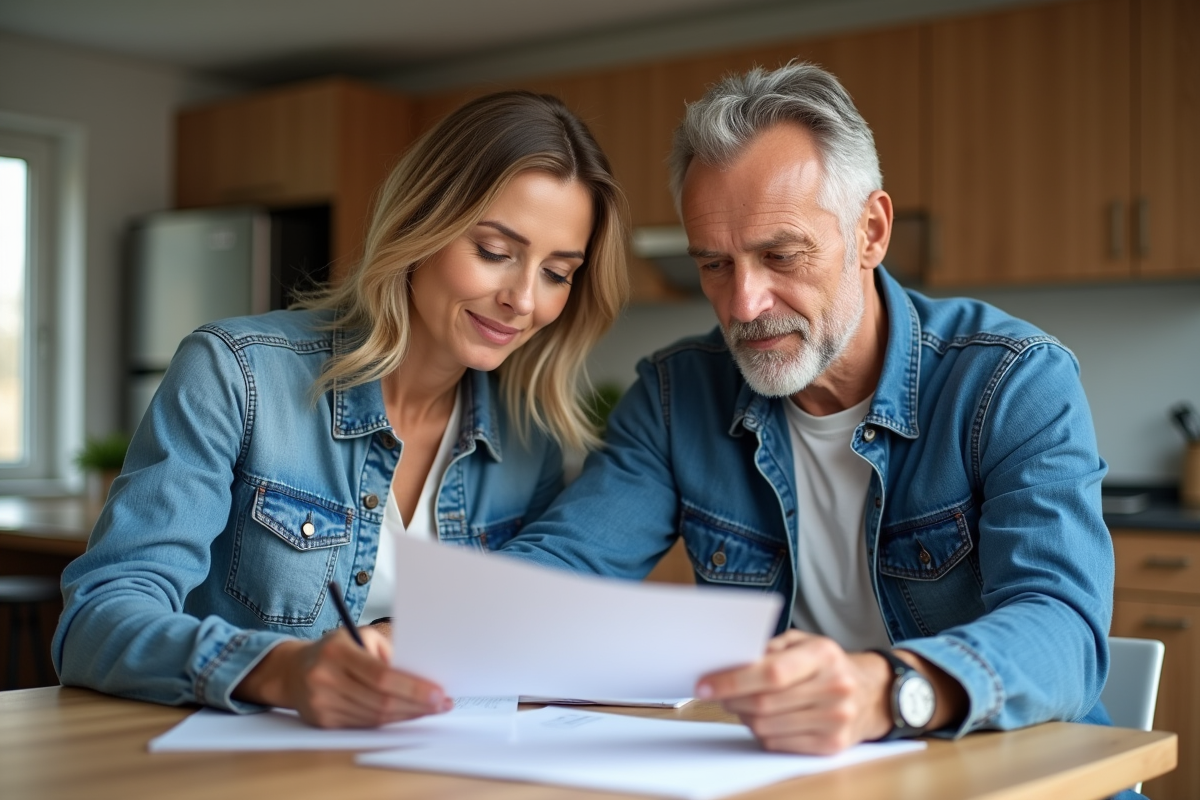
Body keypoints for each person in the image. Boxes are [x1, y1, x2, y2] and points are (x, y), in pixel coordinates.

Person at [500, 62, 1115, 756]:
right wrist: (422, 638)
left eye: (781, 255)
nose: (744, 304)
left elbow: (1064, 628)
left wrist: (884, 691)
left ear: (870, 231)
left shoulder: (1011, 381)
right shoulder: (676, 397)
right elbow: (564, 570)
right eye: (714, 265)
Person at [53, 91, 629, 728]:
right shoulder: (237, 373)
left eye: (557, 272)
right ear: (418, 226)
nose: (523, 299)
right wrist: (282, 672)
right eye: (495, 252)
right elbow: (96, 622)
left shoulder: (528, 438)